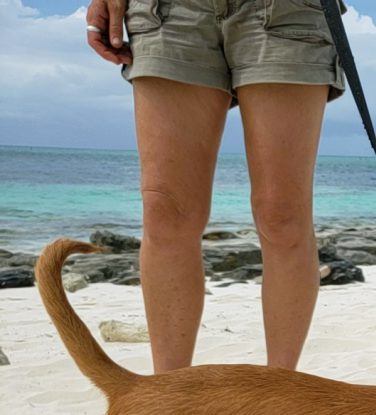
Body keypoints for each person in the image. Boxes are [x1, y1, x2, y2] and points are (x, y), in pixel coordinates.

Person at [84, 0, 343, 374]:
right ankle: (170, 403)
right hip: (169, 10)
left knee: (282, 216)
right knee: (165, 214)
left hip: (286, 10)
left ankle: (280, 401)